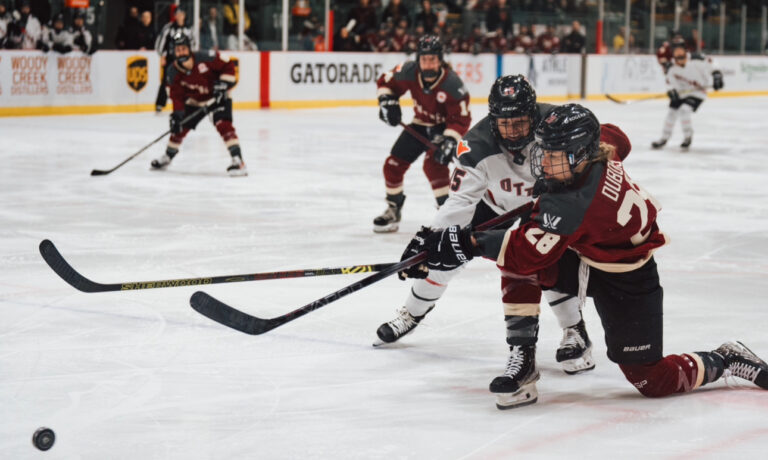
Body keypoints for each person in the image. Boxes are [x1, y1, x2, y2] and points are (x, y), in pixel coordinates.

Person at [416, 103, 768, 409]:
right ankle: (523, 356)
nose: (544, 163)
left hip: (628, 276)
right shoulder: (602, 147)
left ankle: (725, 358)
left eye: (556, 156)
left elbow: (523, 252)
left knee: (650, 380)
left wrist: (468, 244)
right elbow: (619, 138)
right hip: (586, 250)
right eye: (546, 151)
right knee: (519, 259)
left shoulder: (571, 203)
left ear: (583, 154)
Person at [375, 75, 597, 379]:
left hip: (547, 206)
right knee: (444, 256)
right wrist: (427, 239)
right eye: (505, 124)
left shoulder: (555, 124)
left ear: (533, 114)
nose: (513, 131)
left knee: (553, 262)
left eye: (520, 122)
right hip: (495, 206)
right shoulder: (477, 145)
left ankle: (575, 331)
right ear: (493, 120)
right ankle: (411, 313)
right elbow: (458, 202)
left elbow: (593, 154)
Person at [373, 35, 471, 233]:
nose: (428, 64)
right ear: (418, 59)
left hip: (442, 129)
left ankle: (446, 214)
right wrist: (387, 102)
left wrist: (451, 140)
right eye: (424, 59)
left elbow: (461, 118)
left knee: (434, 167)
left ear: (440, 60)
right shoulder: (409, 71)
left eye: (432, 59)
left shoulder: (452, 84)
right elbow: (385, 82)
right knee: (392, 165)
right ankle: (393, 208)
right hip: (419, 125)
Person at [150, 32, 247, 177]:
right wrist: (177, 114)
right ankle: (168, 157)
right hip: (195, 101)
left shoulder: (205, 57)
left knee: (223, 125)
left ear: (189, 48)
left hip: (217, 98)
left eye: (183, 48)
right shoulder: (172, 72)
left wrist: (223, 85)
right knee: (179, 128)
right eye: (177, 50)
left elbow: (228, 65)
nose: (181, 52)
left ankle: (238, 160)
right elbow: (177, 96)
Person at [651, 43, 723, 150]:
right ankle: (664, 138)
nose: (679, 54)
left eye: (680, 51)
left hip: (697, 93)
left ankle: (687, 137)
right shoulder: (671, 67)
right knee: (671, 112)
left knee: (684, 110)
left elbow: (713, 64)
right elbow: (669, 82)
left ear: (685, 52)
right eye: (676, 52)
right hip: (681, 93)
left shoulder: (697, 59)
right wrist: (671, 91)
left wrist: (717, 75)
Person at [155, 8, 194, 112]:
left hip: (184, 60)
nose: (180, 16)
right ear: (175, 16)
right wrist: (162, 55)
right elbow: (161, 43)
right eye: (178, 14)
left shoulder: (188, 29)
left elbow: (193, 44)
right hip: (171, 59)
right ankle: (160, 104)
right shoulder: (169, 27)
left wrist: (191, 57)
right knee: (166, 81)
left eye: (182, 14)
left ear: (184, 15)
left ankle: (187, 103)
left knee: (186, 81)